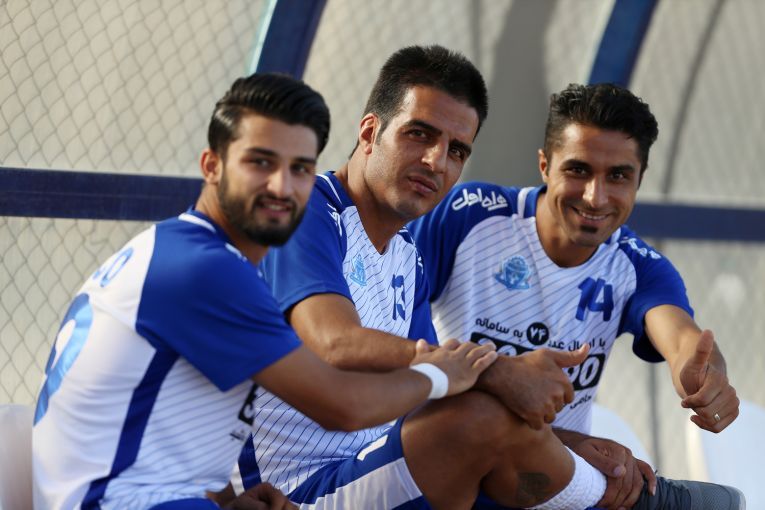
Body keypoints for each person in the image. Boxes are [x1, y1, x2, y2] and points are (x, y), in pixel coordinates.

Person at [250, 46, 743, 509]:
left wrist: (578, 439)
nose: (436, 161)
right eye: (419, 134)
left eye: (457, 150)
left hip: (400, 465)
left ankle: (621, 494)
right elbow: (335, 342)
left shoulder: (404, 252)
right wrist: (497, 371)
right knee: (481, 415)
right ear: (369, 131)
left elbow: (680, 335)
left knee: (487, 415)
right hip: (290, 491)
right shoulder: (308, 209)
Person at [31, 72, 500, 510]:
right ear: (212, 166)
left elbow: (170, 423)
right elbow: (343, 406)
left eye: (300, 169)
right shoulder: (204, 269)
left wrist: (227, 501)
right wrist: (441, 373)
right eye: (261, 163)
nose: (282, 187)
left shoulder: (189, 250)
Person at [409, 82, 742, 509]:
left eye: (618, 176)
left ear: (639, 180)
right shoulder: (468, 214)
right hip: (441, 466)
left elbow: (681, 339)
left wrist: (706, 376)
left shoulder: (638, 265)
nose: (594, 197)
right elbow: (391, 337)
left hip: (541, 485)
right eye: (578, 170)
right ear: (544, 166)